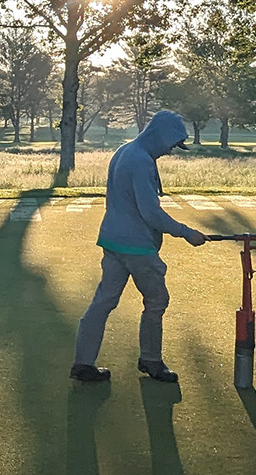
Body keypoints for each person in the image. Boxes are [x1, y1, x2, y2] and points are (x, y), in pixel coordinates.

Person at [70, 110, 208, 385]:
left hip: (112, 240)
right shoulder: (142, 161)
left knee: (103, 301)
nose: (170, 150)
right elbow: (151, 213)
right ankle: (151, 360)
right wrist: (185, 232)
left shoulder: (125, 151)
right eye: (172, 144)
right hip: (137, 248)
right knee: (157, 301)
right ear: (161, 136)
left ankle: (83, 363)